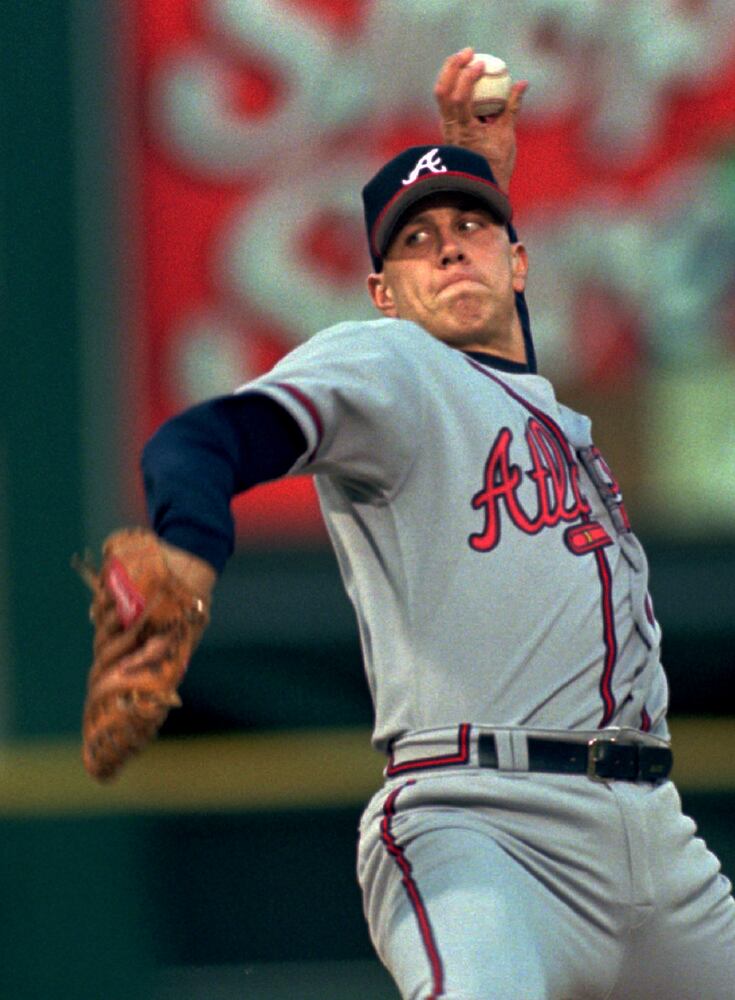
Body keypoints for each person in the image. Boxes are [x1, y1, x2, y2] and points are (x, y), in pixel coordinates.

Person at [135, 49, 735, 998]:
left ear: (519, 262)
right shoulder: (390, 369)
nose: (449, 248)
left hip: (654, 836)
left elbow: (500, 369)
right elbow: (203, 441)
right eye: (415, 241)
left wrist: (476, 165)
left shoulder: (551, 420)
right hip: (484, 823)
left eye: (471, 228)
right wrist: (188, 545)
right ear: (383, 294)